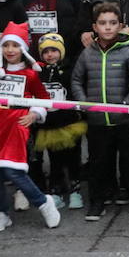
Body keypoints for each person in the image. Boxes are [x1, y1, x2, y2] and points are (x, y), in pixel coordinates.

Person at [0, 22, 61, 232]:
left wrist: (35, 113)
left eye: (15, 46)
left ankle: (43, 202)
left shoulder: (32, 74)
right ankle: (2, 213)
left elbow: (43, 98)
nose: (10, 50)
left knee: (14, 170)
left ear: (23, 48)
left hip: (17, 124)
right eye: (6, 45)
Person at [71, 3, 129, 222]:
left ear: (121, 26)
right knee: (99, 163)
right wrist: (84, 103)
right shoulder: (87, 54)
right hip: (98, 120)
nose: (107, 27)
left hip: (126, 120)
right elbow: (76, 79)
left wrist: (128, 103)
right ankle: (98, 202)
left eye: (112, 23)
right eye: (102, 23)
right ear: (94, 27)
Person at [32, 33, 86, 210]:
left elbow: (76, 89)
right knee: (54, 160)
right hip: (48, 124)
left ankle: (75, 191)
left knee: (72, 158)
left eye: (54, 50)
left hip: (69, 123)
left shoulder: (69, 69)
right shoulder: (39, 72)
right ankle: (55, 190)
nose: (50, 55)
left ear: (61, 52)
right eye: (46, 51)